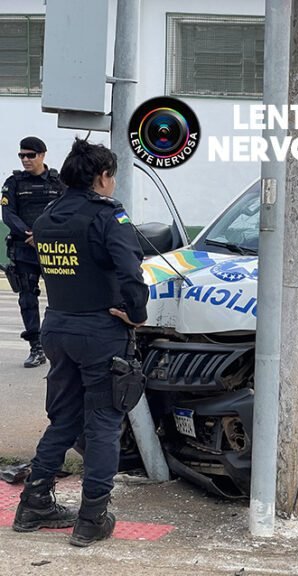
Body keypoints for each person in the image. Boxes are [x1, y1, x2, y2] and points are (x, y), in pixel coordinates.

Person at [13, 138, 148, 547]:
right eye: (112, 177)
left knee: (65, 419)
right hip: (100, 333)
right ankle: (92, 518)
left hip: (58, 327)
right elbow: (131, 273)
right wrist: (136, 314)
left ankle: (34, 502)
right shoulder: (108, 216)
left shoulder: (50, 215)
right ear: (102, 177)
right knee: (104, 422)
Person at [1, 137, 64, 367]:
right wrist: (30, 234)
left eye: (30, 155)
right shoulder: (13, 182)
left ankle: (60, 344)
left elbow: (65, 212)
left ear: (43, 155)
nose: (26, 159)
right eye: (22, 155)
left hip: (53, 249)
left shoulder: (59, 182)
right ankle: (36, 347)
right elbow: (8, 214)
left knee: (62, 298)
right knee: (27, 299)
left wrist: (42, 235)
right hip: (23, 249)